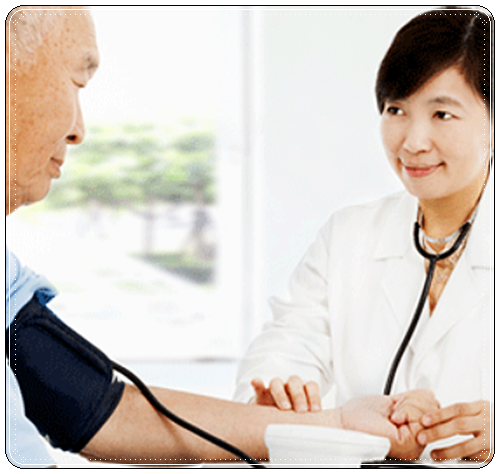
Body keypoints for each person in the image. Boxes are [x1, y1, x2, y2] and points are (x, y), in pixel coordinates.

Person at [5, 6, 424, 467]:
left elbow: (94, 408)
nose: (78, 131)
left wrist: (339, 425)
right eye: (77, 84)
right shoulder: (349, 237)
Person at [234, 7, 493, 464]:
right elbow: (285, 349)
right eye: (396, 110)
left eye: (442, 114)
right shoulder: (349, 237)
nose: (412, 141)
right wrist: (278, 395)